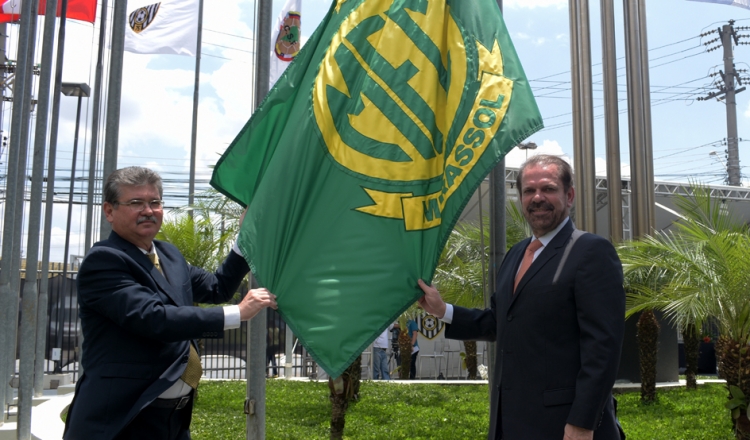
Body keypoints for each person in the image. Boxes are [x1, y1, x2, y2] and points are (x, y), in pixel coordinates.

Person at [418, 155, 625, 440]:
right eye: (529, 191)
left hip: (566, 426)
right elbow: (499, 321)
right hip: (510, 421)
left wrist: (583, 422)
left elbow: (603, 348)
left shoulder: (591, 252)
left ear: (570, 195)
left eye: (548, 189)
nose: (537, 197)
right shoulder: (516, 254)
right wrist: (444, 310)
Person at [63, 167, 278, 440]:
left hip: (174, 421)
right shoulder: (104, 261)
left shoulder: (169, 255)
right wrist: (238, 313)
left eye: (155, 202)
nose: (148, 210)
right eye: (136, 203)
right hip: (124, 420)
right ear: (109, 211)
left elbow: (217, 287)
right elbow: (154, 319)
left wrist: (244, 238)